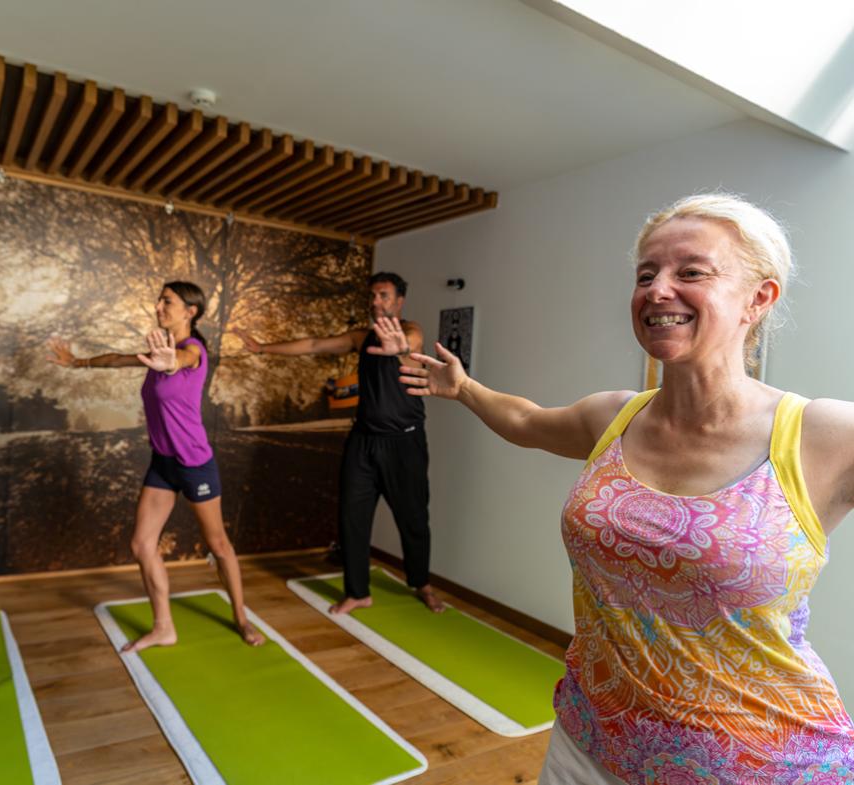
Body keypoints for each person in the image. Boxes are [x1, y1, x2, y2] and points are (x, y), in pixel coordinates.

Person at [397, 194, 854, 783]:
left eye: (691, 271)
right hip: (591, 739)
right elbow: (526, 421)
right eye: (646, 274)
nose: (657, 289)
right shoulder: (613, 416)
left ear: (758, 298)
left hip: (756, 763)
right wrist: (463, 389)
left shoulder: (824, 434)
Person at [47, 281, 264, 651]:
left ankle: (242, 618)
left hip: (195, 464)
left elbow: (185, 359)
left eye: (168, 301)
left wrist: (171, 362)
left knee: (219, 545)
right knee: (142, 543)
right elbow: (117, 360)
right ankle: (164, 626)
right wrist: (77, 362)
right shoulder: (157, 350)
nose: (159, 306)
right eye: (160, 300)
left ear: (189, 312)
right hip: (163, 463)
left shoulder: (192, 349)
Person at [236, 272, 445, 615]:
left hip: (404, 445)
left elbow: (413, 343)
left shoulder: (411, 330)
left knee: (413, 520)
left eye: (384, 295)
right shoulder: (361, 337)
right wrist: (262, 347)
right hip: (363, 442)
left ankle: (422, 583)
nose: (376, 301)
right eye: (373, 296)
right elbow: (314, 345)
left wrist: (400, 348)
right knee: (352, 517)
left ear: (398, 301)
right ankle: (358, 591)